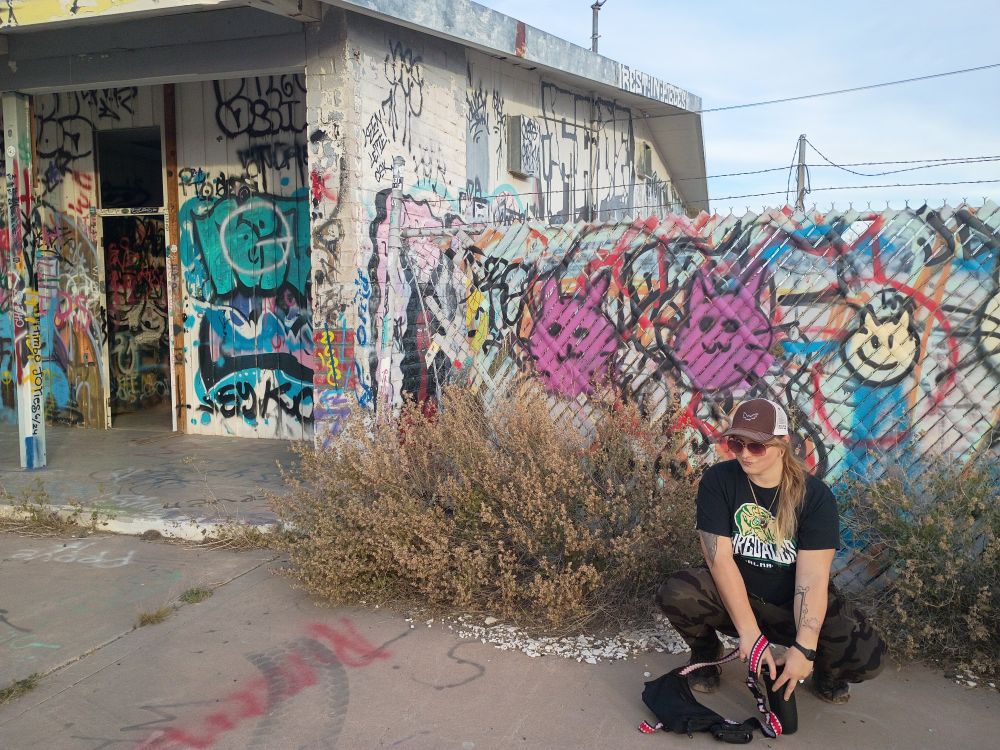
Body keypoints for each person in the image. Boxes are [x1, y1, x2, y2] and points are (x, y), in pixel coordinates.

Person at [656, 398, 886, 705]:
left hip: (790, 604)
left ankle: (826, 671)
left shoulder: (815, 497)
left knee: (868, 654)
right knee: (677, 592)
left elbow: (813, 578)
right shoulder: (718, 481)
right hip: (739, 597)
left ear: (783, 444)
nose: (745, 455)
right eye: (736, 444)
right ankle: (706, 652)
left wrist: (805, 648)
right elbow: (719, 559)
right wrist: (749, 633)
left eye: (757, 447)